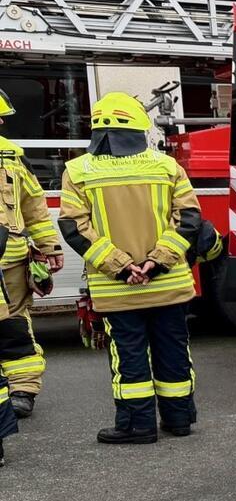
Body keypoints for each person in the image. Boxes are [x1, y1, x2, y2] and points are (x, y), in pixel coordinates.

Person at [58, 92, 205, 444]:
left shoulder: (77, 171)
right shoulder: (168, 167)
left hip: (118, 289)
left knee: (129, 355)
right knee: (173, 348)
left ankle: (138, 425)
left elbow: (75, 228)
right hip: (168, 284)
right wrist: (155, 263)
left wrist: (124, 269)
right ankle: (179, 419)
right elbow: (188, 219)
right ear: (141, 127)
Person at [0, 91, 61, 424]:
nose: (1, 123)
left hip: (10, 261)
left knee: (14, 325)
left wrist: (49, 246)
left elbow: (34, 207)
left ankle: (23, 390)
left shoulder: (11, 155)